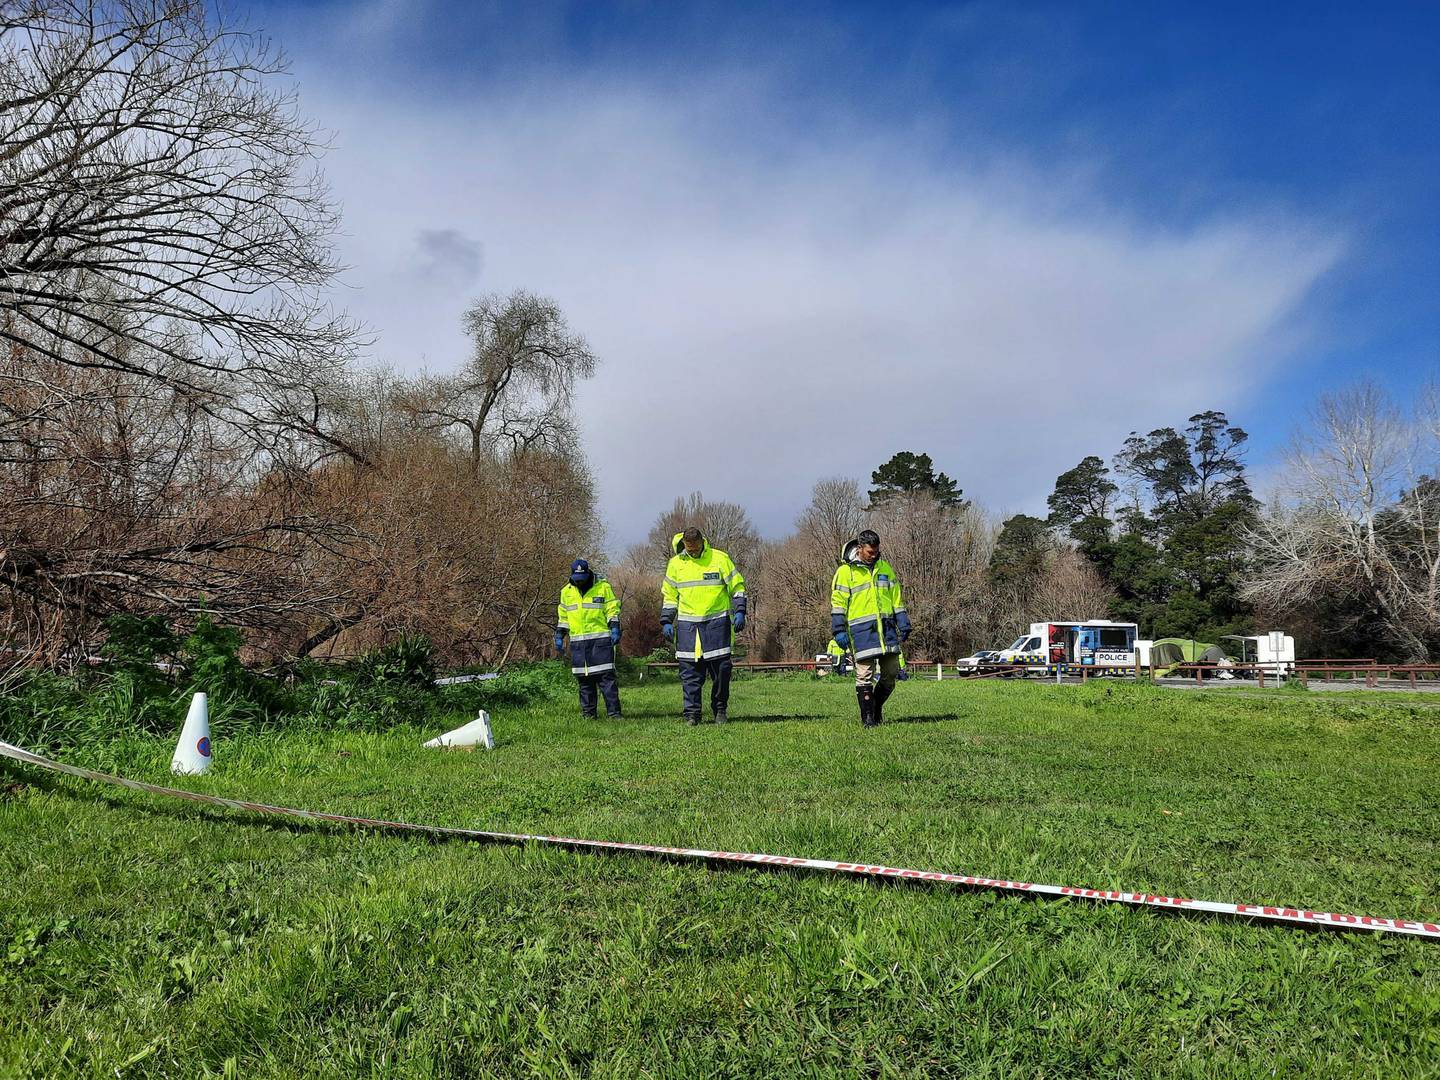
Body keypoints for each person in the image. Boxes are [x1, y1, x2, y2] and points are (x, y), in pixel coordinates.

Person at [660, 527, 746, 725]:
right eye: (689, 550)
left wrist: (740, 609)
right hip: (688, 628)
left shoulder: (719, 559)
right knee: (689, 674)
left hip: (717, 625)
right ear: (683, 545)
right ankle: (692, 714)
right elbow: (670, 596)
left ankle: (720, 710)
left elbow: (737, 586)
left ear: (702, 542)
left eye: (695, 548)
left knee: (722, 672)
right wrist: (666, 620)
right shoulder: (675, 565)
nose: (693, 552)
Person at [831, 529, 911, 727]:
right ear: (859, 549)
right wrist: (839, 630)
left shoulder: (885, 568)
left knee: (892, 672)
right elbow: (838, 603)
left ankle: (875, 708)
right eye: (870, 552)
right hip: (862, 632)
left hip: (887, 630)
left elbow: (896, 598)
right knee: (864, 674)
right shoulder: (845, 572)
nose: (874, 555)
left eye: (876, 551)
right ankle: (868, 720)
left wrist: (903, 621)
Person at [555, 559, 622, 719]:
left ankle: (614, 714)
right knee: (585, 681)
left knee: (606, 680)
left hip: (601, 642)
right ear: (572, 576)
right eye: (577, 579)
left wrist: (614, 627)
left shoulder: (603, 587)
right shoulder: (566, 592)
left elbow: (612, 608)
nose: (580, 582)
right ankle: (589, 715)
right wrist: (559, 634)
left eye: (583, 579)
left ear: (588, 574)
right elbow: (563, 616)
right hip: (579, 644)